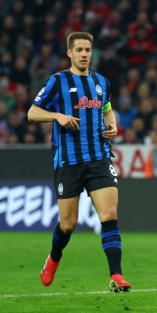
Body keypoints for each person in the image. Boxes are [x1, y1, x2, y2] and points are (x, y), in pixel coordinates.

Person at [27, 32, 131, 292]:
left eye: (88, 50)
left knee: (109, 214)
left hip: (99, 157)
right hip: (69, 161)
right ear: (70, 53)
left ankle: (116, 275)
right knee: (68, 224)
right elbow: (32, 112)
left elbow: (107, 109)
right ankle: (54, 257)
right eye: (79, 50)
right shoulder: (58, 81)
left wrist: (112, 126)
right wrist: (57, 117)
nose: (84, 54)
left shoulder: (101, 82)